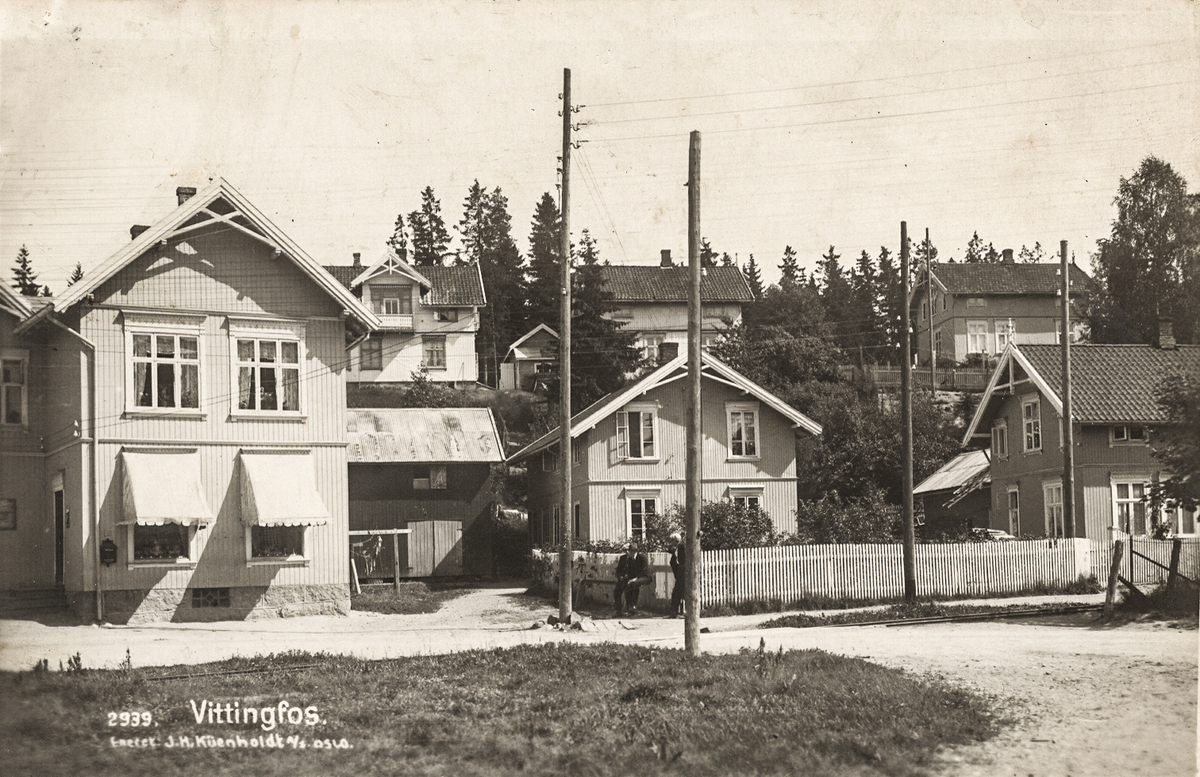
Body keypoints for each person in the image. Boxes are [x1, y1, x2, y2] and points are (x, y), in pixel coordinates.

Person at [614, 540, 651, 615]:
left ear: (635, 551)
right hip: (634, 577)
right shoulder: (630, 559)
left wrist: (635, 578)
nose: (629, 553)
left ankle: (633, 605)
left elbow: (644, 571)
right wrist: (626, 578)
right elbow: (630, 572)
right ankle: (627, 608)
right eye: (629, 551)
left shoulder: (642, 558)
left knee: (634, 583)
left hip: (644, 577)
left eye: (631, 551)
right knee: (627, 585)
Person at [668, 532, 684, 618]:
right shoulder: (677, 548)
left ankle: (674, 612)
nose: (671, 543)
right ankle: (674, 611)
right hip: (680, 572)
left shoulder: (681, 547)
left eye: (672, 541)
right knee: (678, 592)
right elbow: (670, 550)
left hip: (683, 572)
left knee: (678, 592)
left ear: (676, 541)